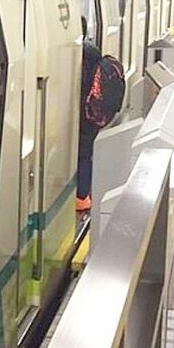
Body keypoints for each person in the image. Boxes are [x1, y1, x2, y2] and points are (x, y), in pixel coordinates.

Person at [76, 16, 102, 215]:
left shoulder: (80, 57)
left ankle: (82, 197)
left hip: (83, 114)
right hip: (92, 112)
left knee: (83, 153)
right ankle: (83, 195)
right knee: (86, 153)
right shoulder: (93, 53)